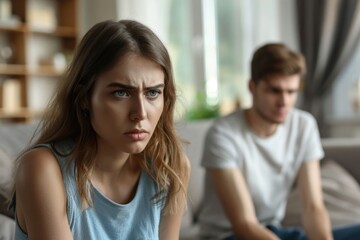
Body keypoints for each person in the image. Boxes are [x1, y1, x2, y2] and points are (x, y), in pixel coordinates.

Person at [10, 19, 190, 240]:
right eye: (121, 93)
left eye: (152, 93)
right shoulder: (43, 169)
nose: (140, 113)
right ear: (84, 97)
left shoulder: (170, 165)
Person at [197, 43, 360, 240]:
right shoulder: (222, 135)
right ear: (252, 87)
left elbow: (312, 207)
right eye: (275, 91)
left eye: (291, 92)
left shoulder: (304, 125)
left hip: (276, 232)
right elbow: (244, 224)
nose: (284, 101)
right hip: (229, 236)